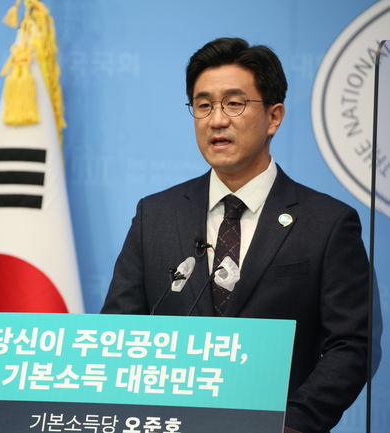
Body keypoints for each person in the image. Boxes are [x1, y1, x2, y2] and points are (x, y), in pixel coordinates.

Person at [101, 38, 368, 433]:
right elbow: (118, 334)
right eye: (203, 105)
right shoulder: (154, 215)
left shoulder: (326, 223)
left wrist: (293, 423)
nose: (216, 120)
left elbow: (352, 344)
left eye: (234, 103)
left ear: (274, 117)